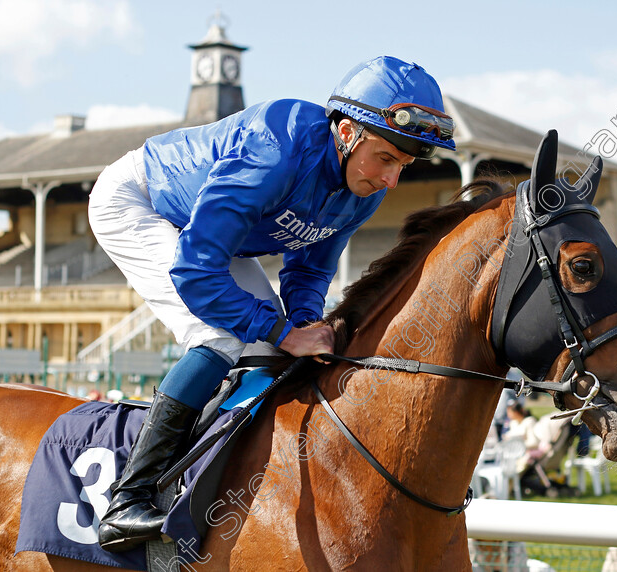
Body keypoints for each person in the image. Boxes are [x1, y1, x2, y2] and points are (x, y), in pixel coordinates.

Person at [88, 55, 456, 552]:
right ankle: (127, 498)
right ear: (346, 132)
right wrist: (283, 331)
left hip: (216, 237)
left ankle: (202, 472)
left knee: (273, 350)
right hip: (142, 202)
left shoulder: (362, 190)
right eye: (386, 159)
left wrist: (305, 327)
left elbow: (309, 271)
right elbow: (197, 269)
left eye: (403, 167)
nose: (391, 181)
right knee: (219, 336)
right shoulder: (275, 147)